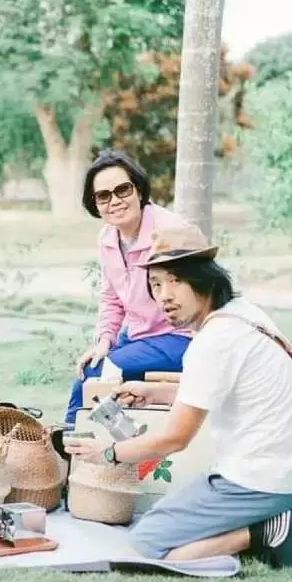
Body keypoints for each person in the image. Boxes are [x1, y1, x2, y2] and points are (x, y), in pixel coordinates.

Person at [63, 224, 292, 572]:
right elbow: (223, 389)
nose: (164, 296)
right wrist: (156, 391)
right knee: (172, 521)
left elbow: (175, 438)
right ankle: (282, 517)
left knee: (145, 544)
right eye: (156, 284)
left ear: (203, 278)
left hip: (260, 481)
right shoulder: (243, 313)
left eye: (176, 280)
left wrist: (108, 453)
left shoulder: (212, 341)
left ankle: (272, 530)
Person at [65, 150, 194, 426]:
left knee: (94, 378)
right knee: (91, 369)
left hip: (181, 337)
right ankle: (119, 449)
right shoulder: (108, 238)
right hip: (138, 337)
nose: (115, 201)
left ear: (138, 188)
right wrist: (104, 342)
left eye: (122, 190)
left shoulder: (170, 230)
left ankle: (69, 446)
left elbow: (199, 295)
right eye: (103, 196)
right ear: (95, 203)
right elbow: (112, 298)